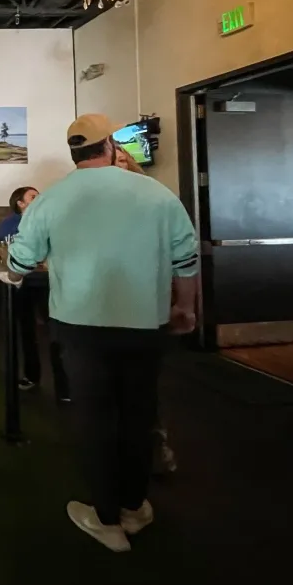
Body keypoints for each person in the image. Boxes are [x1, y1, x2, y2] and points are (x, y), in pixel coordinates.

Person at [4, 114, 198, 552]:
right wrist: (185, 306)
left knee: (94, 418)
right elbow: (185, 258)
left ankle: (106, 520)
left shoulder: (50, 200)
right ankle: (134, 507)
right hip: (145, 323)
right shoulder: (156, 193)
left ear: (74, 152)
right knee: (138, 415)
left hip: (79, 326)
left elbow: (19, 262)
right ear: (110, 144)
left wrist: (16, 272)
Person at [114, 146, 178, 475]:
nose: (116, 166)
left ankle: (154, 446)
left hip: (144, 301)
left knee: (143, 382)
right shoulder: (92, 200)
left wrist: (183, 301)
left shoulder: (153, 198)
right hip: (106, 302)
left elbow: (180, 248)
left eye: (121, 160)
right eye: (112, 161)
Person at [0, 186, 69, 399]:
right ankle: (31, 376)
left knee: (56, 333)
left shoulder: (48, 219)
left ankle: (64, 387)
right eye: (33, 196)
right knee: (26, 333)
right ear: (20, 203)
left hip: (47, 282)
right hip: (23, 283)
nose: (39, 199)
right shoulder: (10, 223)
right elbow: (2, 247)